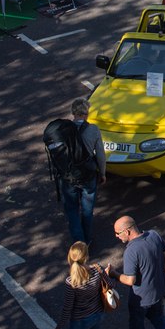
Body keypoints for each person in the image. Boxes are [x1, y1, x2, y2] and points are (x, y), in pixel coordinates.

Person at [106, 216, 165, 329]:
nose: (116, 236)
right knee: (158, 319)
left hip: (141, 297)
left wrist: (114, 274)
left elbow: (130, 280)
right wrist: (160, 270)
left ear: (127, 232)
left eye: (118, 233)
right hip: (159, 289)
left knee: (136, 323)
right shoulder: (154, 235)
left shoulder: (131, 251)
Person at [58, 99, 106, 246]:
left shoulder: (63, 130)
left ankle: (79, 243)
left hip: (68, 175)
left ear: (73, 113)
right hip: (88, 174)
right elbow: (100, 154)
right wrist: (102, 173)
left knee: (72, 210)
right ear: (87, 113)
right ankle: (88, 239)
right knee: (87, 210)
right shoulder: (93, 130)